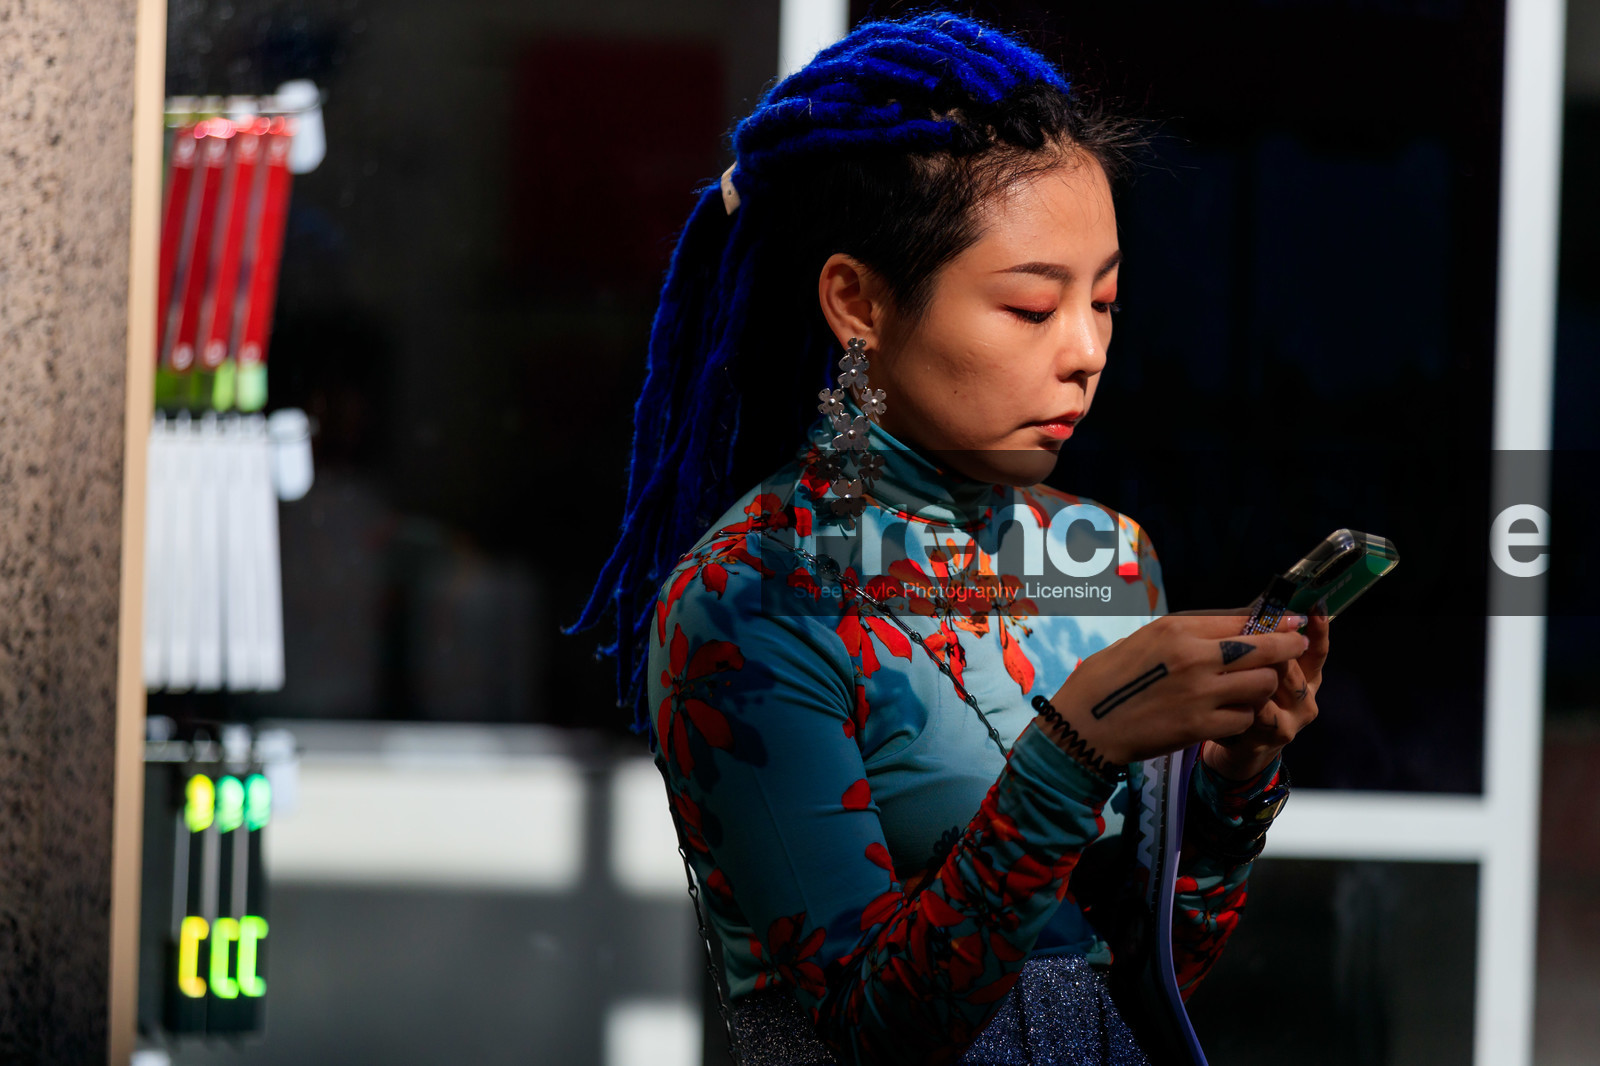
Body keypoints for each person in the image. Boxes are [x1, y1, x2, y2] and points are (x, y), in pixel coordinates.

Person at [569, 11, 1330, 1065]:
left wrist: (1232, 778)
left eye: (1105, 300)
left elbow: (1129, 980)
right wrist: (1077, 748)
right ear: (858, 302)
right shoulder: (747, 601)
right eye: (1030, 307)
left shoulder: (1104, 561)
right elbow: (876, 1029)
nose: (1085, 352)